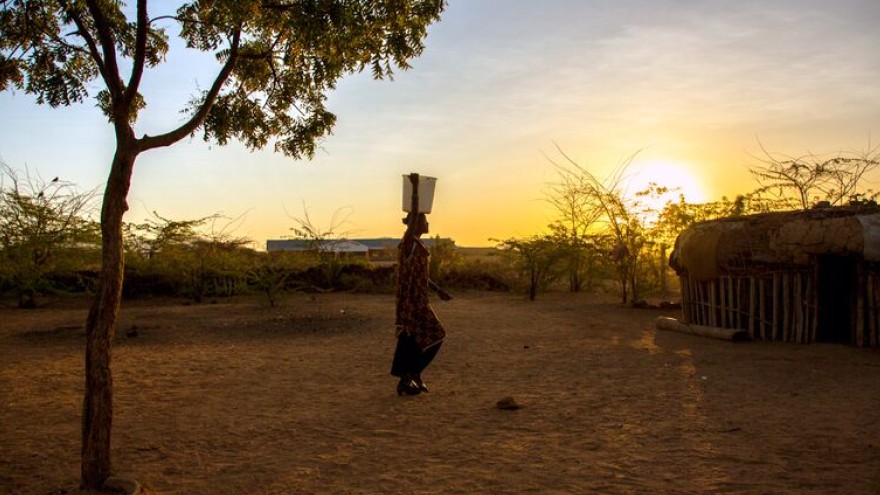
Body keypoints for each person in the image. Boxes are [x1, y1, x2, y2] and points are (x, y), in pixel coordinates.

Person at [391, 211, 451, 396]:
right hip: (411, 302)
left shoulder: (418, 245)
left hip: (417, 300)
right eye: (424, 220)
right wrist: (416, 187)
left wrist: (437, 290)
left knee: (411, 340)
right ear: (415, 223)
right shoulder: (409, 242)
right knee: (436, 333)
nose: (428, 223)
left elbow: (421, 274)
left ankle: (408, 379)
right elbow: (413, 218)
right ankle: (411, 375)